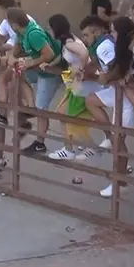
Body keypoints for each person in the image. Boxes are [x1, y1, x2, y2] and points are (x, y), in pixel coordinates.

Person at [82, 15, 134, 197]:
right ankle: (109, 136)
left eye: (86, 35)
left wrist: (106, 77)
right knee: (91, 101)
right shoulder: (101, 45)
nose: (111, 34)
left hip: (125, 98)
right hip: (116, 92)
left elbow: (114, 66)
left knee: (119, 143)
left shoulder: (104, 46)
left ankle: (119, 183)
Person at [5, 7, 65, 153]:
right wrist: (13, 57)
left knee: (42, 108)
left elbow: (49, 54)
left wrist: (30, 63)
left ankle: (40, 143)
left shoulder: (33, 34)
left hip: (51, 72)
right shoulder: (23, 32)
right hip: (39, 70)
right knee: (16, 77)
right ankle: (31, 108)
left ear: (14, 24)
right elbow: (18, 46)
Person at [44, 14, 96, 160]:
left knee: (70, 115)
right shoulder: (67, 40)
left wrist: (81, 69)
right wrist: (52, 64)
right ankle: (72, 148)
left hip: (81, 85)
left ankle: (88, 147)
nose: (48, 30)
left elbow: (83, 52)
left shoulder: (68, 42)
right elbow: (64, 56)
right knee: (63, 113)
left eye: (49, 27)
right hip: (75, 84)